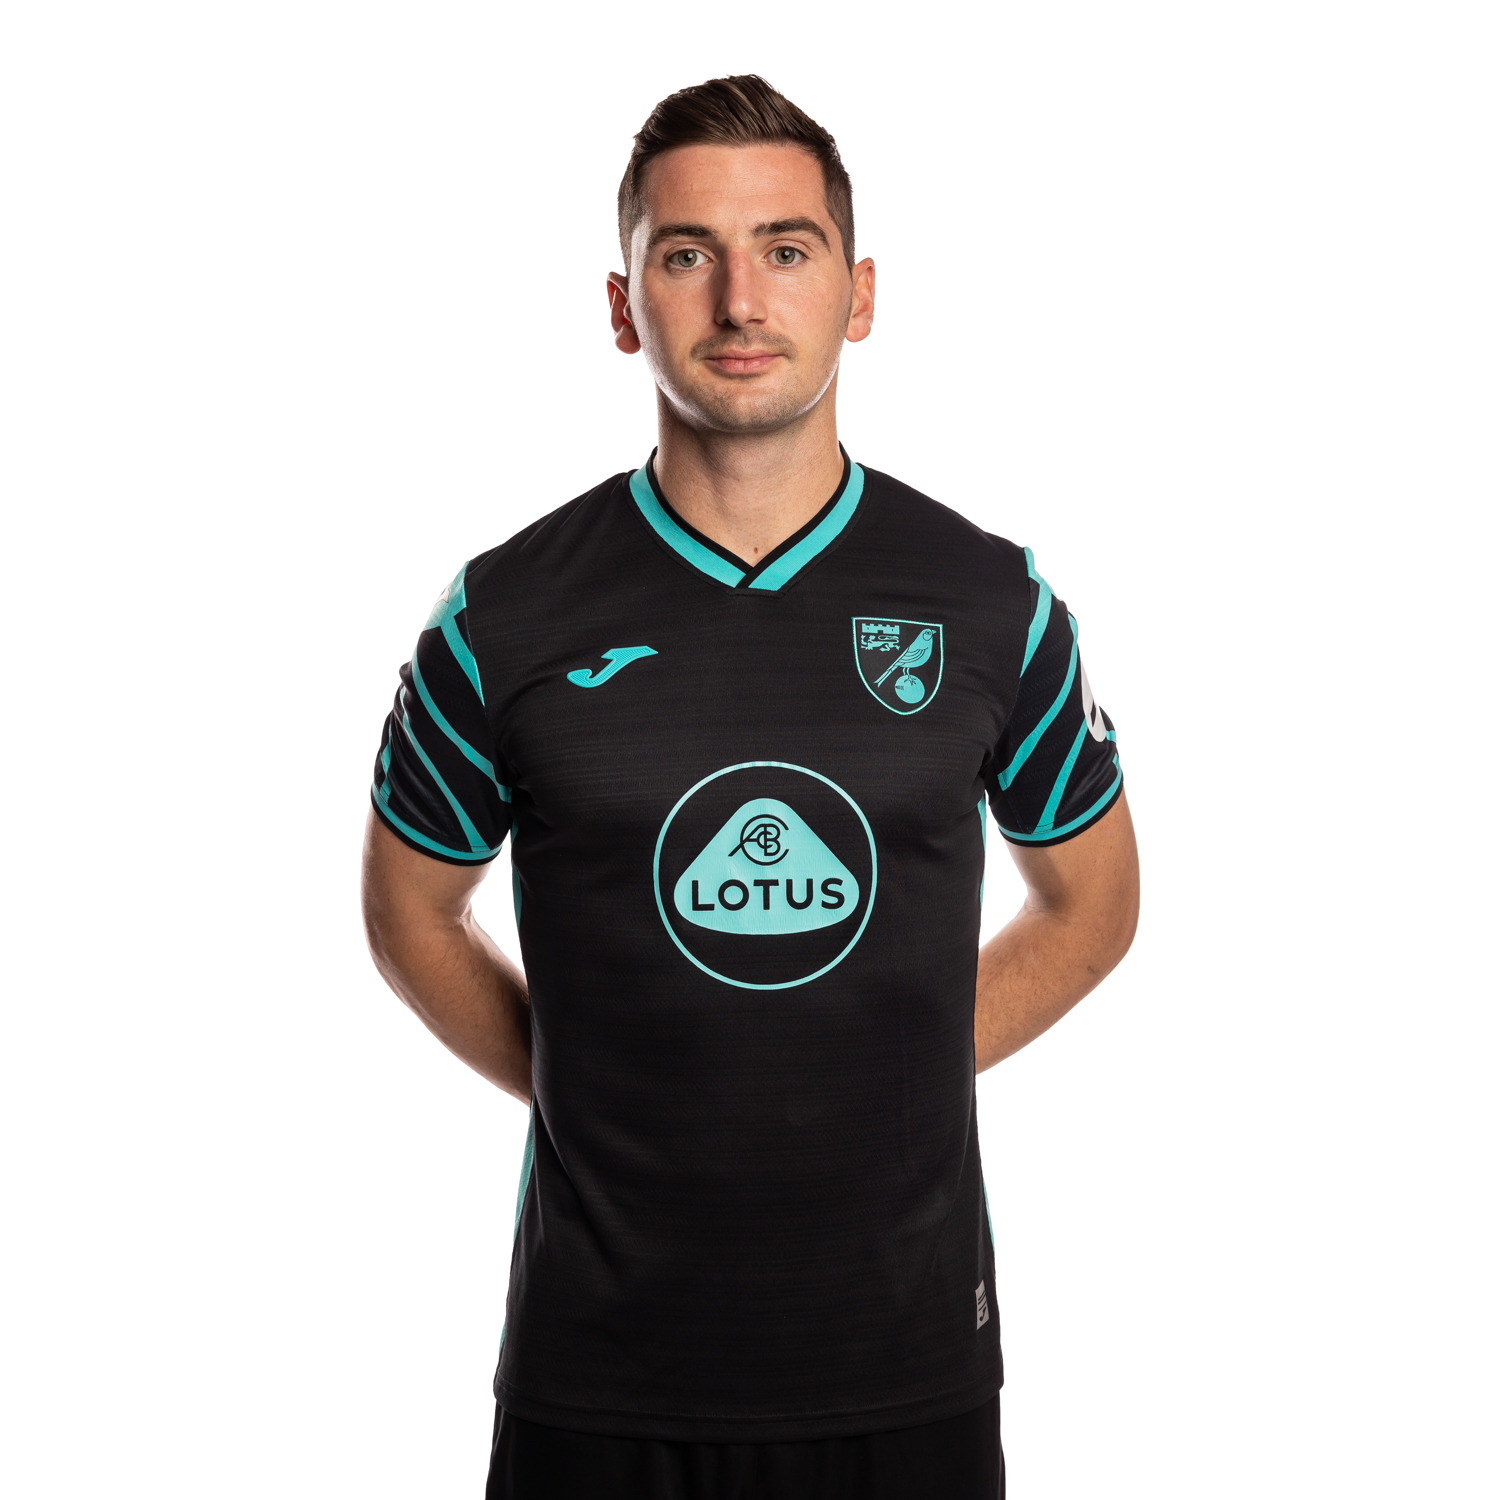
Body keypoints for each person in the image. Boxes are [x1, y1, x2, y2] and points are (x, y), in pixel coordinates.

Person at [361, 74, 1139, 1500]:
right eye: (687, 254)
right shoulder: (504, 616)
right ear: (622, 307)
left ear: (859, 295)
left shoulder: (990, 604)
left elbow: (1093, 904)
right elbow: (410, 912)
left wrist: (887, 1068)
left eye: (786, 249)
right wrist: (596, 1081)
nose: (739, 300)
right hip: (598, 1375)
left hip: (904, 1362)